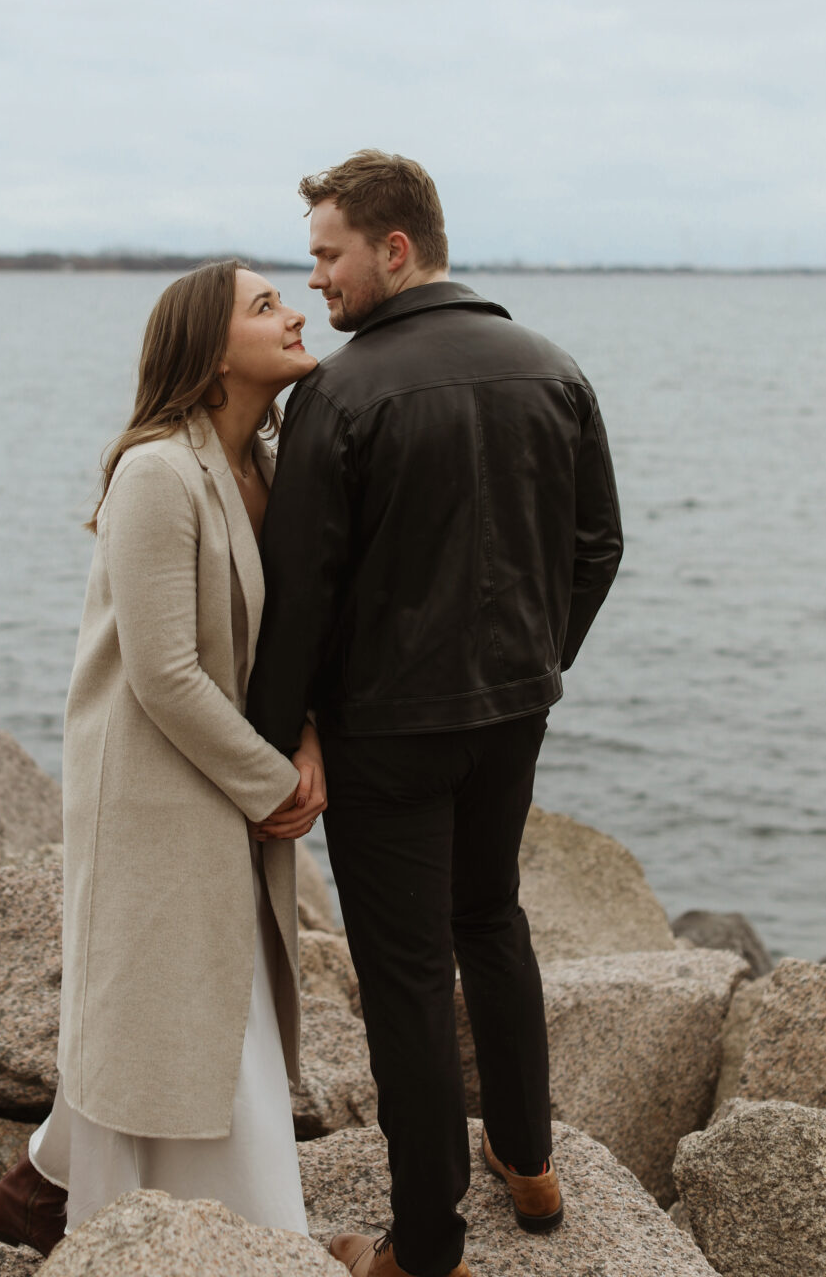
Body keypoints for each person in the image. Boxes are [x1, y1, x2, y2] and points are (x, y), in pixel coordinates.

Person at [246, 151, 624, 1277]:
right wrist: (532, 661)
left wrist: (272, 750)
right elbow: (596, 547)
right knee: (491, 918)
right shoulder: (551, 367)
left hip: (386, 732)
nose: (316, 280)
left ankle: (426, 1250)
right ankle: (530, 1165)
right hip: (511, 712)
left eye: (328, 255)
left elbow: (302, 593)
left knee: (406, 972)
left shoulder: (343, 393)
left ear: (392, 249)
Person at [0, 260, 327, 1256]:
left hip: (222, 776)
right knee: (179, 1013)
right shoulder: (156, 471)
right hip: (151, 787)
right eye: (265, 305)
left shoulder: (266, 463)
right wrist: (273, 786)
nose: (294, 308)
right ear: (209, 352)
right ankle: (250, 1236)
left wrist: (307, 741)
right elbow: (164, 670)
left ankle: (45, 1188)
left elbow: (290, 639)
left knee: (201, 1006)